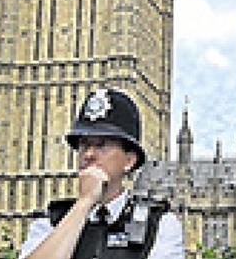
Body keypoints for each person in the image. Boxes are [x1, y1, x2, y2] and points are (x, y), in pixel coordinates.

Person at [19, 87, 184, 259]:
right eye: (84, 145)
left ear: (129, 160)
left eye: (101, 145)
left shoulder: (159, 224)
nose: (89, 154)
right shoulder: (51, 222)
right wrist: (84, 203)